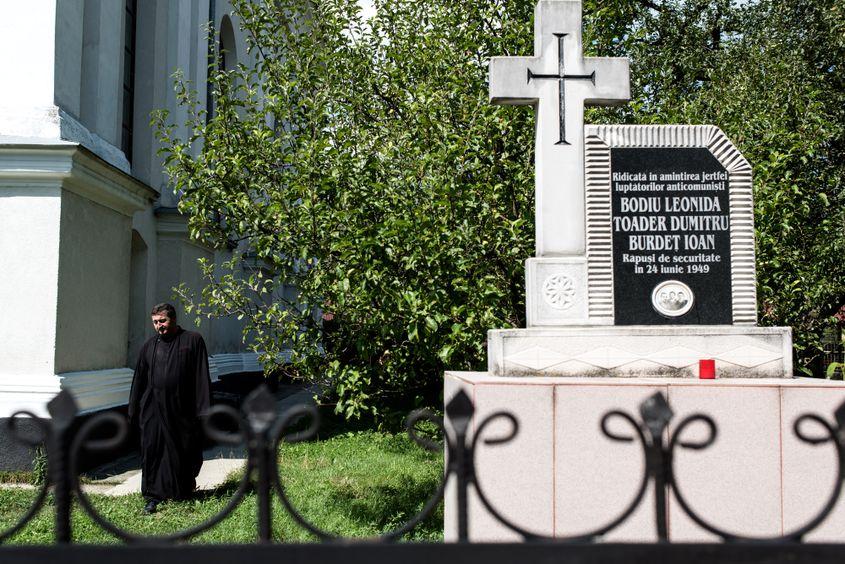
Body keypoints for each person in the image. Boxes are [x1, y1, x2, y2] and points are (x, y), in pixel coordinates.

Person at [128, 303, 211, 514]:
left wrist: (204, 409)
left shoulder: (192, 340)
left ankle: (181, 491)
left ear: (173, 319)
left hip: (181, 409)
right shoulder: (149, 346)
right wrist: (133, 409)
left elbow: (201, 376)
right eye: (155, 322)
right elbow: (139, 379)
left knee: (182, 449)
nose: (159, 326)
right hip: (153, 409)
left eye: (162, 321)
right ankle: (153, 496)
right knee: (153, 450)